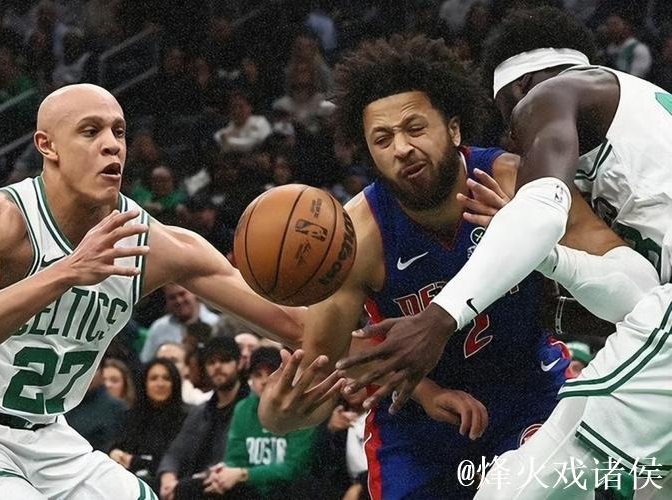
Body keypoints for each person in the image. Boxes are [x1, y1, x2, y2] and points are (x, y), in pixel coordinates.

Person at [259, 35, 622, 499]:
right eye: (382, 139)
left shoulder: (519, 182)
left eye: (415, 128)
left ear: (453, 129)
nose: (402, 148)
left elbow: (619, 270)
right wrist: (281, 413)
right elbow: (323, 371)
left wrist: (539, 245)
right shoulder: (357, 237)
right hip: (416, 429)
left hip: (531, 396)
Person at [337, 8, 671, 498]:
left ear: (523, 89)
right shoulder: (634, 127)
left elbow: (542, 210)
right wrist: (544, 255)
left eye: (508, 118)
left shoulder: (551, 95)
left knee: (507, 489)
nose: (513, 140)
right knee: (647, 487)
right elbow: (640, 296)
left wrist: (439, 319)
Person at [0, 83, 303, 499]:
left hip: (48, 435)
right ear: (47, 145)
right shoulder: (0, 221)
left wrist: (361, 325)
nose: (111, 145)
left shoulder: (156, 245)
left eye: (118, 132)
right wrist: (66, 272)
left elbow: (293, 324)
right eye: (90, 131)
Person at [204, 347, 316, 499]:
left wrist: (243, 474)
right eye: (258, 375)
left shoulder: (299, 408)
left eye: (271, 373)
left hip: (288, 491)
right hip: (250, 490)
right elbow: (235, 459)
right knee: (195, 487)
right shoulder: (243, 408)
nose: (264, 381)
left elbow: (294, 468)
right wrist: (224, 476)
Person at [158, 337, 249, 500]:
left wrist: (182, 486)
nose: (217, 367)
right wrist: (168, 479)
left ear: (239, 363)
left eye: (225, 360)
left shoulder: (251, 408)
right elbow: (175, 453)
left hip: (229, 485)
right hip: (191, 485)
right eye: (211, 362)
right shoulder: (200, 411)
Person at [110, 358, 189, 492]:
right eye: (153, 378)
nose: (160, 384)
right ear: (144, 383)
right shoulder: (131, 417)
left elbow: (176, 462)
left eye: (166, 378)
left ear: (174, 384)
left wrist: (134, 461)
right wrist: (115, 453)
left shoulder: (187, 419)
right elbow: (116, 447)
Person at [140, 282, 220, 363]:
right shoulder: (158, 328)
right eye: (172, 297)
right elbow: (146, 362)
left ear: (194, 293)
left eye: (182, 294)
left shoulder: (216, 323)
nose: (179, 300)